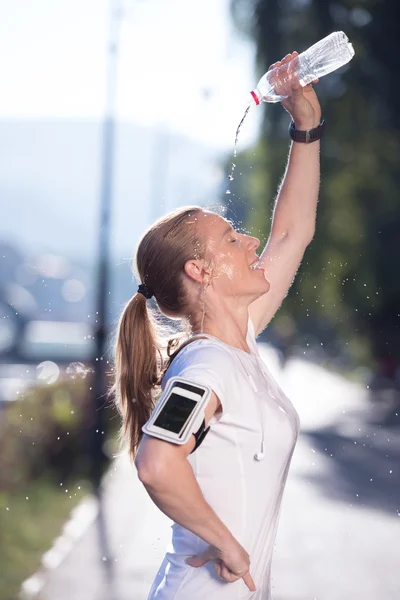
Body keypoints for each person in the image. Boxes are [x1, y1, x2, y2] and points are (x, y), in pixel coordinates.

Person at [112, 51, 322, 599]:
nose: (250, 242)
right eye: (232, 238)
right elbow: (157, 464)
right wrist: (224, 542)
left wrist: (306, 127)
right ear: (200, 270)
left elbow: (292, 233)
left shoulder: (238, 340)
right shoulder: (206, 366)